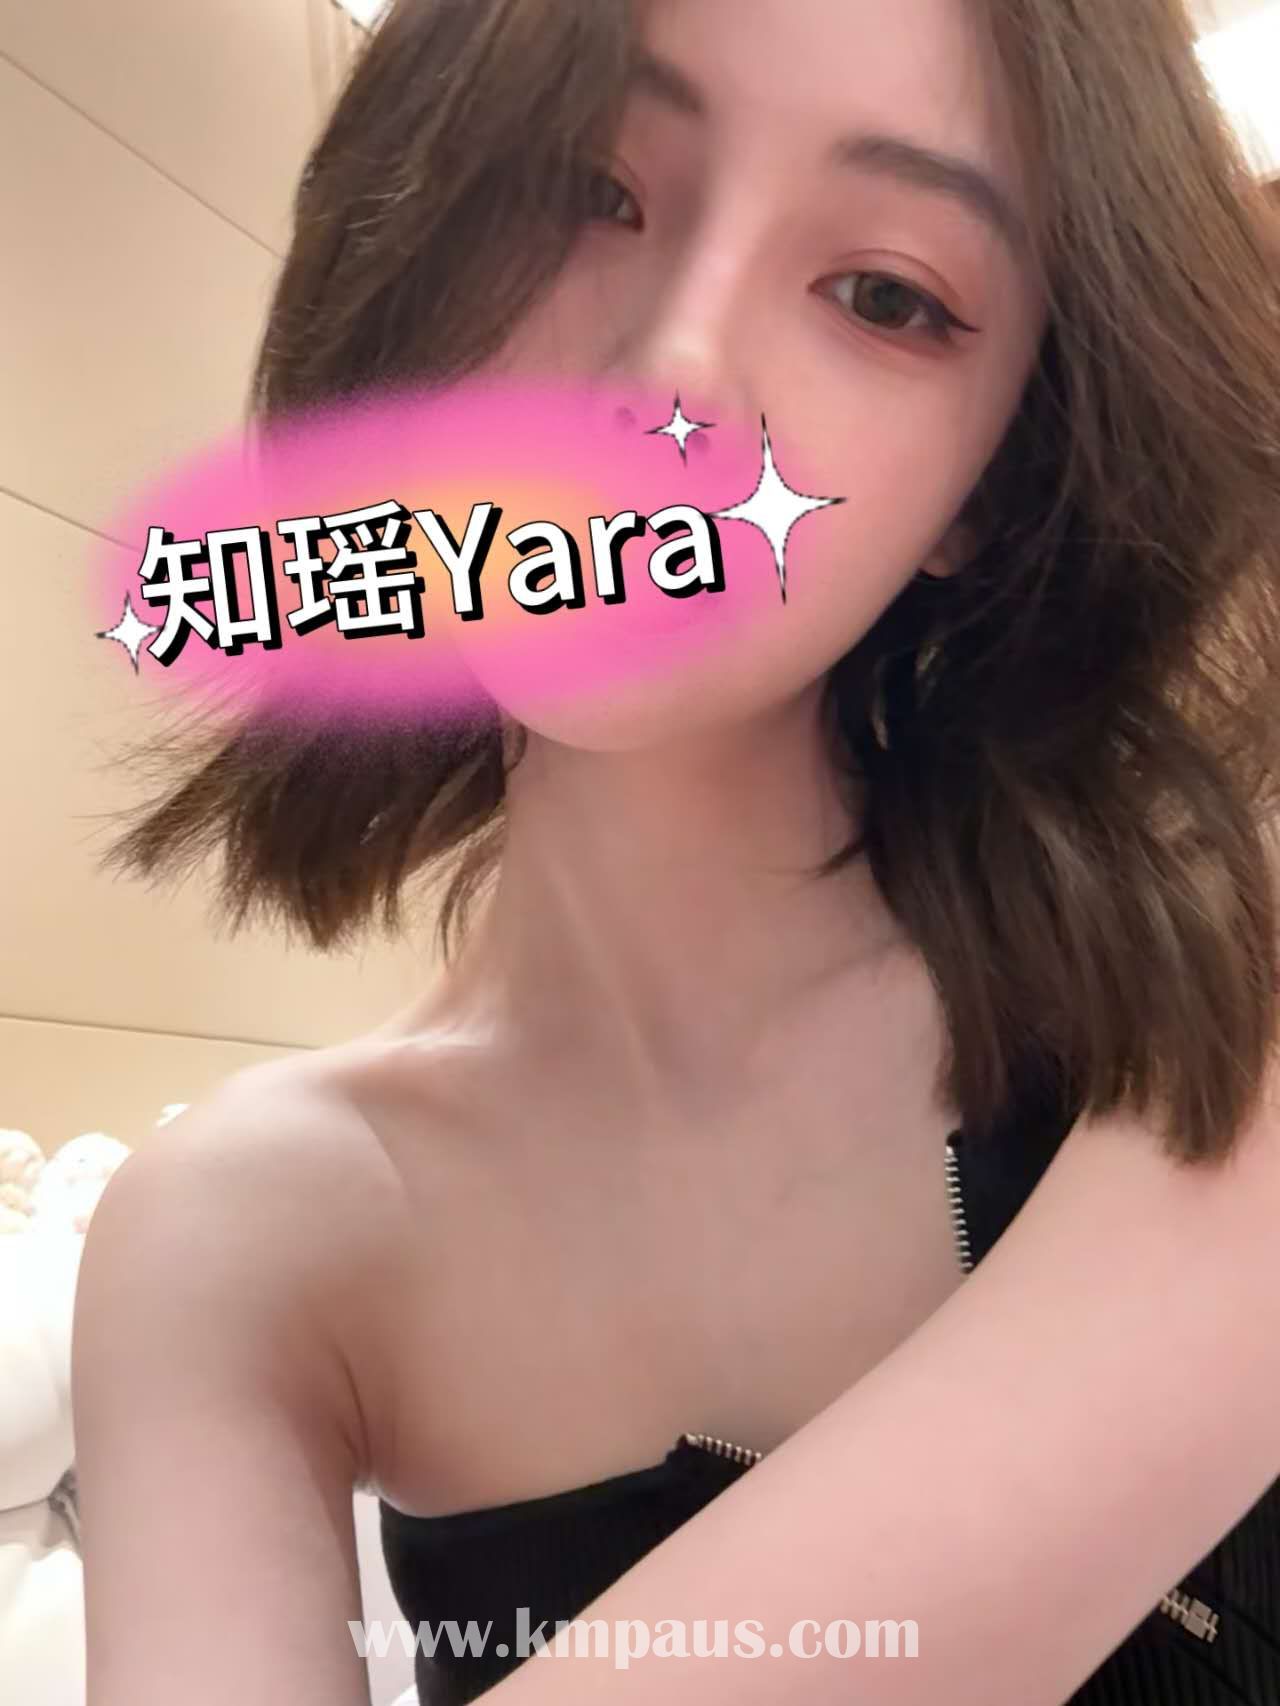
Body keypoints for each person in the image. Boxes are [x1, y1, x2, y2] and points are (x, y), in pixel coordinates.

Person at [72, 1, 1280, 1703]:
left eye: (885, 295)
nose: (673, 374)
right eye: (591, 189)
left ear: (988, 488)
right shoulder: (240, 1238)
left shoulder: (1226, 988)